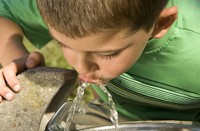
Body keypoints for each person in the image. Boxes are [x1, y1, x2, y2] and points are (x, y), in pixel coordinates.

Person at [0, 0, 200, 122]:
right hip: (112, 117)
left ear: (160, 24)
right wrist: (18, 58)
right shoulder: (70, 7)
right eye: (63, 44)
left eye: (108, 54)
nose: (81, 67)